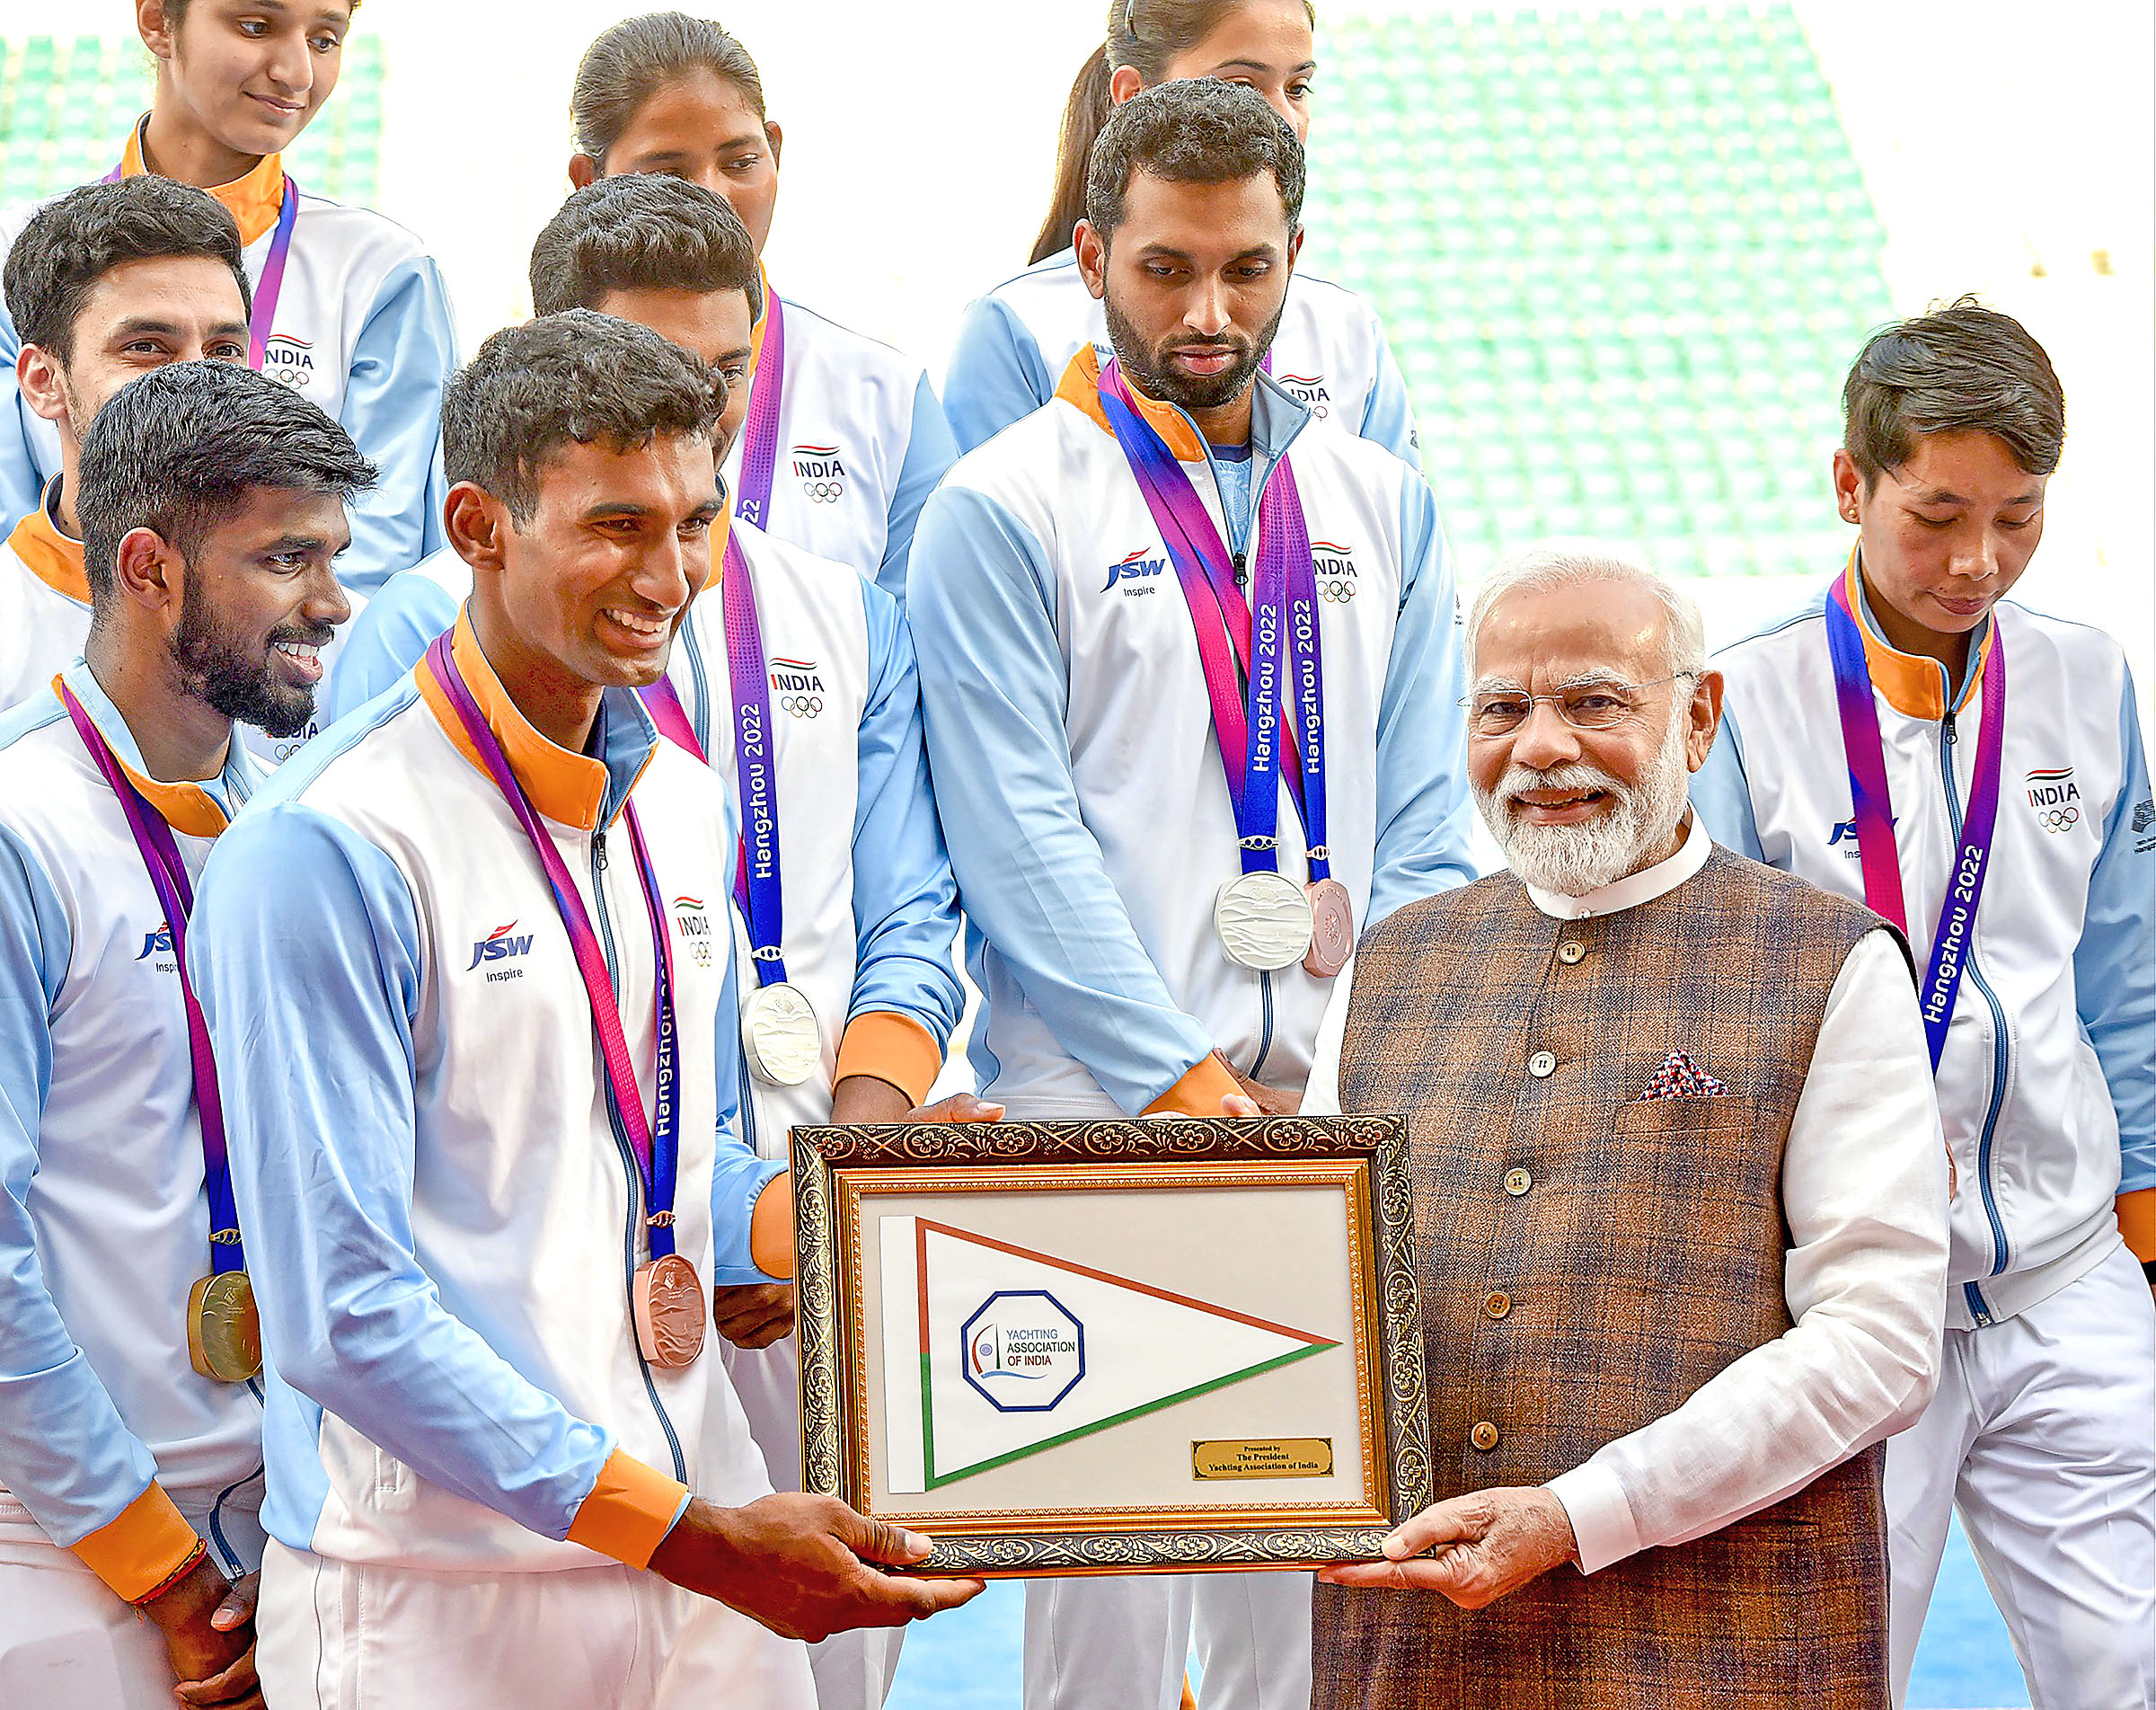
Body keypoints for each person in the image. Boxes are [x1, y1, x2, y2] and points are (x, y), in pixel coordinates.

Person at [186, 313, 980, 1710]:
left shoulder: (678, 799)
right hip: (444, 1593)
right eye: (615, 524)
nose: (669, 574)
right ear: (478, 525)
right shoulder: (327, 849)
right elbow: (342, 1317)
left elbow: (660, 1164)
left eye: (697, 520)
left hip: (698, 1534)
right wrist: (689, 1535)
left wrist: (843, 1210)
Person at [908, 82, 1476, 1710]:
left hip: (1325, 1108)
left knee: (1292, 1601)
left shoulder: (1384, 499)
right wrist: (1184, 1083)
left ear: (1298, 255)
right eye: (1165, 269)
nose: (1208, 312)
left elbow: (1427, 816)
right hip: (1104, 1104)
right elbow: (1020, 844)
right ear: (1091, 258)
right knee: (1103, 1605)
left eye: (1244, 268)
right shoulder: (1003, 504)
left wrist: (1365, 1067)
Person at [1304, 543, 1951, 1706]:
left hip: (1728, 1652)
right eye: (1502, 706)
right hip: (1411, 1660)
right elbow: (1301, 1295)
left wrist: (1581, 1513)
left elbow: (1882, 1340)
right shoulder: (1387, 964)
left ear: (1700, 717)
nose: (1541, 746)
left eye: (1595, 701)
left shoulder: (1830, 961)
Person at [1691, 301, 2156, 1708]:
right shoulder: (1746, 703)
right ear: (1853, 483)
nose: (1977, 562)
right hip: (1853, 1304)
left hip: (2064, 1277)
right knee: (1837, 1678)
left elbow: (2121, 977)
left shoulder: (2085, 676)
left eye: (2017, 519)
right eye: (1938, 513)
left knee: (2123, 1667)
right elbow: (1717, 1033)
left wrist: (2141, 1223)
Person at [0, 359, 371, 1710]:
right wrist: (161, 1569)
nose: (332, 602)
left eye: (335, 557)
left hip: (293, 1522)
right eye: (285, 558)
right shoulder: (21, 828)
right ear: (148, 566)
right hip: (62, 1535)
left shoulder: (309, 826)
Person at [0, 0, 457, 596]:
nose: (296, 72)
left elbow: (376, 553)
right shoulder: (16, 251)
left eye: (325, 39)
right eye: (256, 26)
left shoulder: (381, 273)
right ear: (158, 21)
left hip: (301, 667)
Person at [566, 11, 957, 605]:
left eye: (741, 161)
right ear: (588, 181)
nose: (714, 195)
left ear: (775, 150)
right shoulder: (523, 398)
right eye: (669, 171)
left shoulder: (888, 400)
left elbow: (918, 656)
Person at [941, 0, 1418, 467]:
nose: (1285, 121)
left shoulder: (1348, 330)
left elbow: (1397, 528)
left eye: (1297, 88)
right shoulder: (1018, 326)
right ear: (1133, 97)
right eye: (1241, 86)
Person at [0, 176, 249, 711]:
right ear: (45, 382)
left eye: (224, 350)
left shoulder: (332, 624)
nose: (198, 381)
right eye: (146, 348)